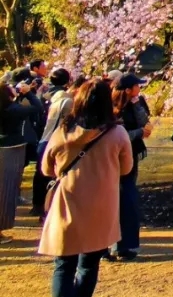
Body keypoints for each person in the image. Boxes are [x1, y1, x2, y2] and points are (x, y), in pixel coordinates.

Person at [38, 80, 133, 297]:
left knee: (63, 265)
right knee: (89, 265)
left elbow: (46, 169)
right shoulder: (117, 133)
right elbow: (126, 169)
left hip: (68, 201)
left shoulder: (63, 131)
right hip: (101, 204)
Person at [110, 73, 151, 260]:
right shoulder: (114, 109)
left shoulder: (135, 103)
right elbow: (120, 133)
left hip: (131, 154)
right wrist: (140, 132)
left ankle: (122, 244)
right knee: (124, 197)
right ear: (127, 89)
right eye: (136, 86)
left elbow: (145, 122)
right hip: (117, 157)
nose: (139, 89)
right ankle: (119, 244)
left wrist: (136, 104)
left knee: (126, 195)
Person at [1, 79, 41, 244]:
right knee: (7, 191)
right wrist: (29, 93)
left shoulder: (12, 108)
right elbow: (38, 108)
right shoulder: (14, 110)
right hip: (12, 149)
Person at [33, 69, 73, 217]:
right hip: (55, 138)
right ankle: (48, 209)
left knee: (40, 174)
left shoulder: (42, 93)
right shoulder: (65, 99)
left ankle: (37, 205)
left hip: (42, 136)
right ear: (67, 81)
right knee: (52, 176)